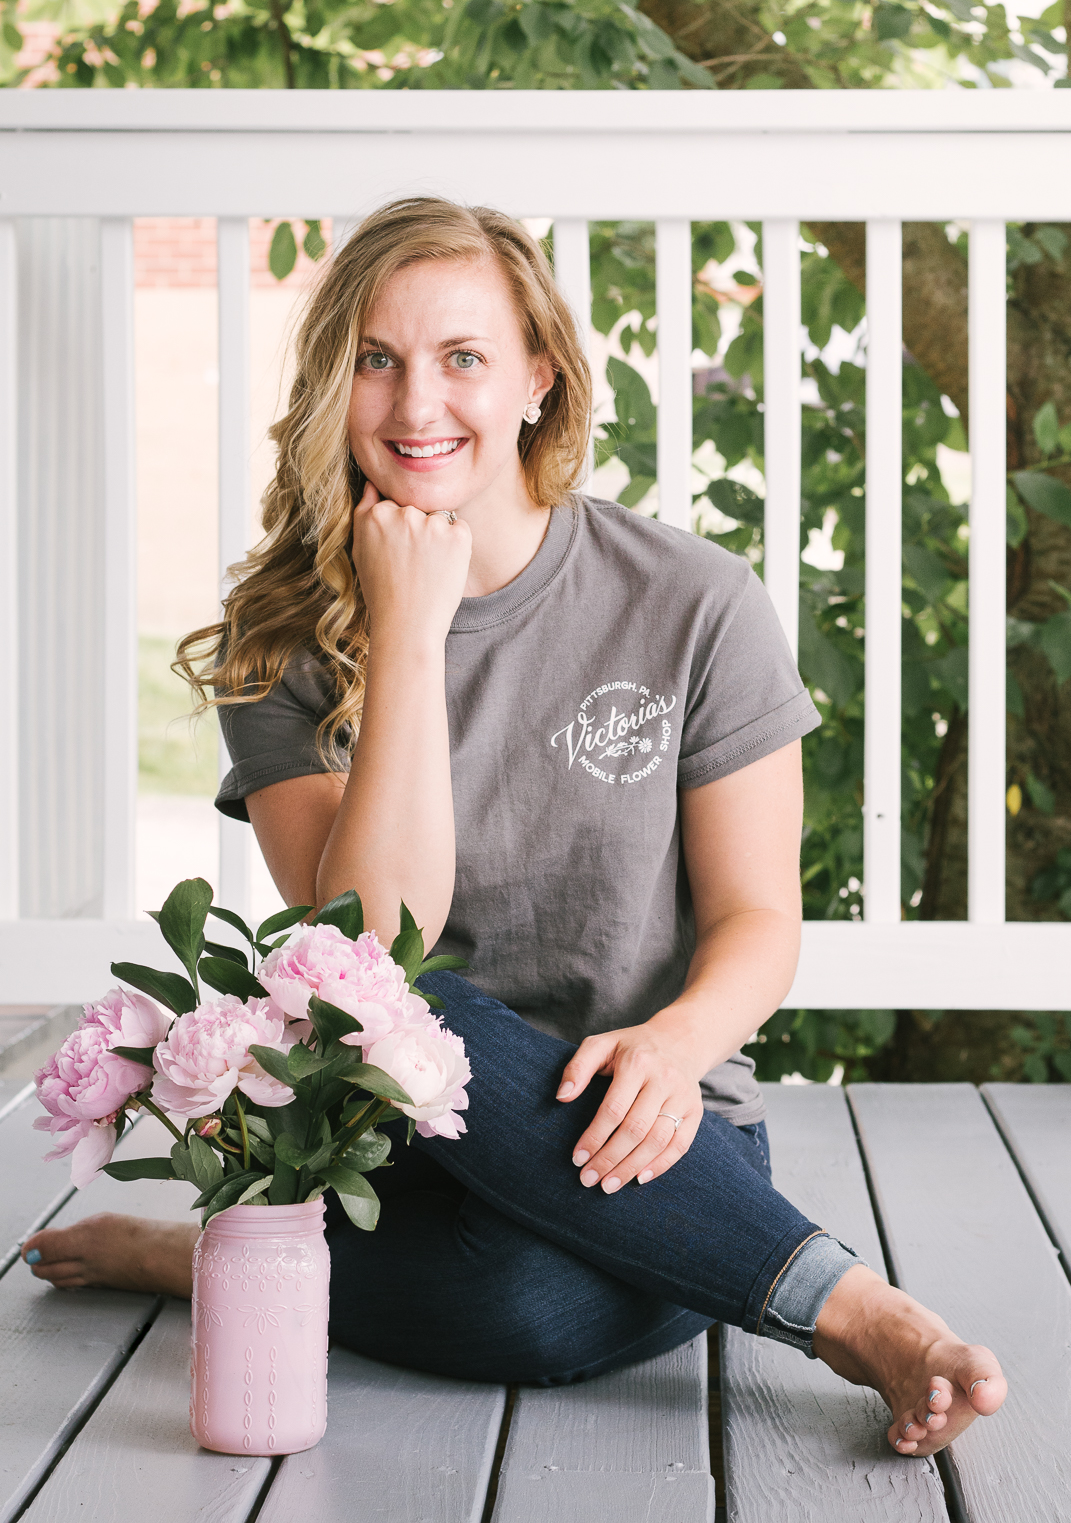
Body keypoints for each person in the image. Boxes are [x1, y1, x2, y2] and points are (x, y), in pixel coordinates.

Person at [21, 198, 1005, 1456]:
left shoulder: (692, 601)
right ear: (334, 383)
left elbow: (759, 915)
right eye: (375, 358)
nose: (414, 403)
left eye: (462, 358)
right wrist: (412, 630)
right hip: (396, 1133)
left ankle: (219, 1249)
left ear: (539, 375)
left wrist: (670, 1040)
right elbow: (374, 948)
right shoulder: (279, 647)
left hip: (661, 1121)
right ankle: (839, 1299)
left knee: (537, 1299)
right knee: (435, 1041)